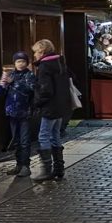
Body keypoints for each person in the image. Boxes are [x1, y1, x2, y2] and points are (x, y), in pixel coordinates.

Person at [31, 39, 72, 182]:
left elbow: (45, 90)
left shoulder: (44, 67)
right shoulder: (60, 63)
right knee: (55, 135)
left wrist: (37, 102)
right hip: (60, 106)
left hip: (50, 107)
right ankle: (59, 169)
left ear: (42, 51)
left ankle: (47, 170)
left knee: (43, 136)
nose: (34, 55)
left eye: (36, 52)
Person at [0, 51, 36, 177]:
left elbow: (30, 89)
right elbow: (0, 92)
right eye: (18, 61)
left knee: (24, 140)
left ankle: (25, 166)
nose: (21, 64)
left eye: (23, 61)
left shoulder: (29, 75)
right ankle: (18, 165)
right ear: (14, 63)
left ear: (27, 63)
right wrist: (1, 85)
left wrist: (14, 83)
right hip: (12, 112)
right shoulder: (11, 74)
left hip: (25, 112)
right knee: (16, 140)